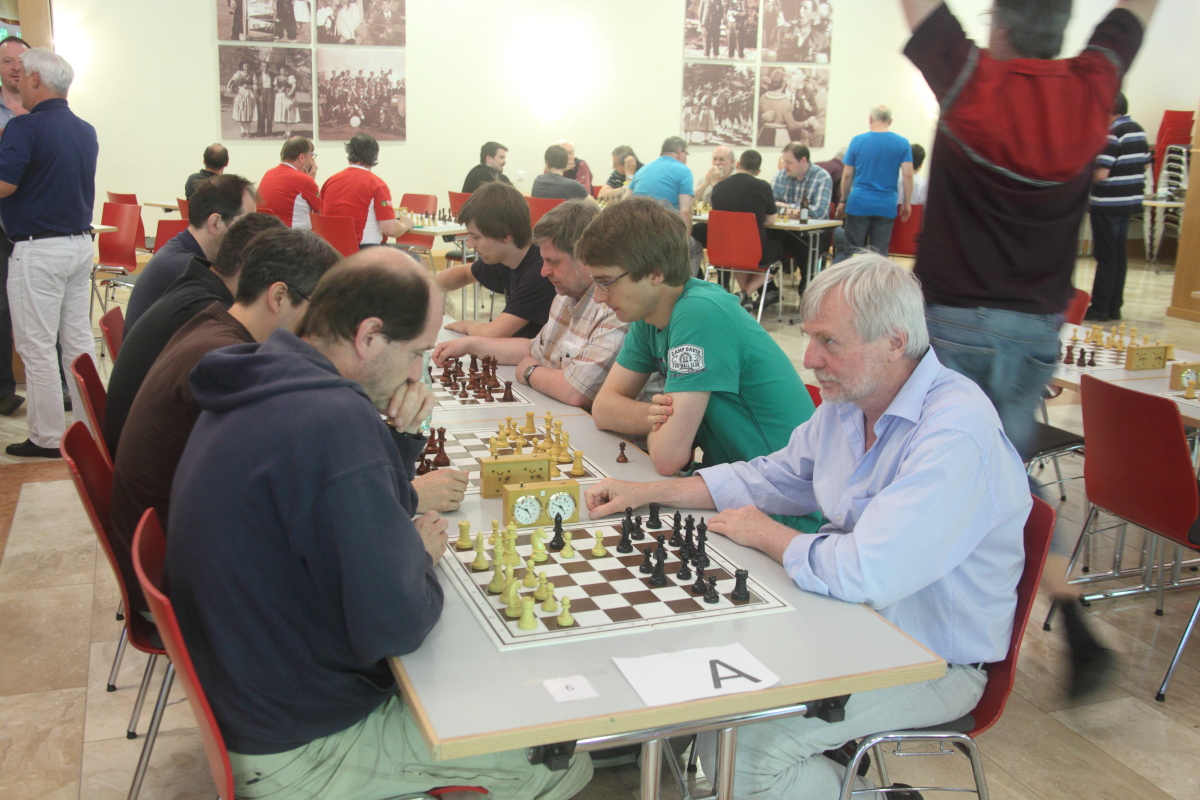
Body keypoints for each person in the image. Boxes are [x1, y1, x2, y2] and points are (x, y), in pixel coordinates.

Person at [584, 254, 1030, 800]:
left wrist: (768, 534)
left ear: (895, 341)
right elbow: (774, 477)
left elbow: (866, 572)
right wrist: (650, 493)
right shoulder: (851, 400)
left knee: (742, 757)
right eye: (810, 337)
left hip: (930, 658)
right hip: (843, 619)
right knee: (695, 682)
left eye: (829, 342)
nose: (811, 358)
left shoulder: (955, 433)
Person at [167, 250, 593, 800]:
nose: (417, 373)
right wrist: (417, 557)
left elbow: (345, 509)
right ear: (368, 336)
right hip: (300, 747)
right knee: (558, 762)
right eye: (415, 352)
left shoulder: (264, 378)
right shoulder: (331, 421)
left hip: (253, 699)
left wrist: (396, 442)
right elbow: (396, 626)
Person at [898, 0, 1157, 698]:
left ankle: (928, 628)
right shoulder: (1092, 86)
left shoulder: (971, 81)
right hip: (1037, 328)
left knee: (943, 466)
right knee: (1001, 466)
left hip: (954, 319)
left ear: (1000, 25)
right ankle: (1065, 611)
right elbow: (1133, 15)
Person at [110, 226, 338, 615]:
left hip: (166, 553)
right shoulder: (228, 360)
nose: (322, 325)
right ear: (278, 296)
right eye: (319, 308)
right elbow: (290, 483)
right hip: (179, 585)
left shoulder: (214, 324)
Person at [582, 199, 819, 517]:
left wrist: (662, 423)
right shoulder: (649, 315)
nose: (598, 296)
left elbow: (668, 457)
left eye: (606, 281)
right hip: (726, 489)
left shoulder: (699, 313)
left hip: (785, 507)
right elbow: (602, 409)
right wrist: (659, 415)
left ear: (655, 273)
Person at [105, 213, 283, 456]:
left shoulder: (197, 285)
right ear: (251, 268)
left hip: (133, 445)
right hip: (141, 457)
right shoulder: (210, 314)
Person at [432, 199, 625, 408]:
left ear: (586, 258)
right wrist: (470, 345)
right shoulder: (564, 295)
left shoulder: (614, 307)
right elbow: (535, 350)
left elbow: (576, 392)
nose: (544, 271)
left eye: (554, 261)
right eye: (543, 260)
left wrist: (531, 371)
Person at [0, 48, 98, 458]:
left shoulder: (25, 127)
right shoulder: (85, 129)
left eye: (21, 74)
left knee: (36, 346)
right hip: (79, 245)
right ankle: (91, 425)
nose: (18, 80)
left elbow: (5, 185)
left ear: (36, 79)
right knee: (77, 340)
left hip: (38, 250)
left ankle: (46, 437)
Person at [124, 174, 257, 332]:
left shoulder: (181, 252)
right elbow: (237, 328)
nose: (250, 235)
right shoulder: (185, 269)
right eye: (244, 225)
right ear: (215, 223)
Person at [433, 182, 555, 338]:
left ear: (504, 235)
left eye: (476, 237)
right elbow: (464, 274)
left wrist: (467, 325)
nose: (469, 244)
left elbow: (493, 333)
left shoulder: (539, 272)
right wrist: (424, 288)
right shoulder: (505, 256)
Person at [1087, 93, 1148, 322]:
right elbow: (1144, 164)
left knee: (1106, 257)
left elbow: (1102, 173)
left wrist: (1080, 178)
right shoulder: (1137, 129)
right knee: (1119, 256)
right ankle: (1114, 307)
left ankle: (1100, 309)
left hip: (1107, 203)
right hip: (1128, 202)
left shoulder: (1111, 133)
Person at [710, 149, 785, 310]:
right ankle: (745, 293)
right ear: (758, 171)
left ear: (737, 164)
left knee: (739, 254)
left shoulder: (719, 187)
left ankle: (746, 298)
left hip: (724, 249)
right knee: (779, 253)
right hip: (752, 249)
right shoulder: (762, 186)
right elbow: (771, 220)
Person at [836, 105, 912, 260]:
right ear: (890, 121)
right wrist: (907, 202)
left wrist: (843, 200)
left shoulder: (857, 141)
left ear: (870, 119)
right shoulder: (902, 143)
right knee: (879, 255)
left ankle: (851, 276)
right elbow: (908, 175)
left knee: (852, 251)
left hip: (859, 202)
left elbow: (847, 174)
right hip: (886, 205)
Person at [0, 35, 30, 418]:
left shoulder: (42, 109)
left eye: (20, 62)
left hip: (33, 224)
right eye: (7, 61)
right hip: (1, 222)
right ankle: (3, 390)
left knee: (45, 310)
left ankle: (62, 385)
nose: (14, 68)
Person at [320, 132, 414, 247]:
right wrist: (405, 224)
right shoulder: (377, 185)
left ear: (349, 153)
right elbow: (391, 230)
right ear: (374, 156)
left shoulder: (329, 181)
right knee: (413, 257)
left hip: (331, 250)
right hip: (364, 250)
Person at [630, 136, 696, 242]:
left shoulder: (642, 170)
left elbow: (625, 201)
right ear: (680, 152)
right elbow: (685, 212)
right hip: (664, 232)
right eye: (686, 154)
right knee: (696, 247)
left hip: (637, 232)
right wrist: (685, 243)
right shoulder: (684, 171)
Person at [258, 136, 321, 229]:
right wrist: (310, 180)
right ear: (302, 157)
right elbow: (321, 214)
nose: (313, 161)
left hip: (265, 231)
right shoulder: (304, 180)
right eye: (311, 157)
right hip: (291, 235)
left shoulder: (269, 173)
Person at [226, 60, 258, 138]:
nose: (246, 68)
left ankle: (248, 131)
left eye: (248, 66)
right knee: (241, 112)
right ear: (242, 67)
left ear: (250, 67)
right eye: (245, 66)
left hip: (249, 94)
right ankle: (242, 131)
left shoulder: (252, 75)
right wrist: (230, 86)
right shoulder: (238, 74)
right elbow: (233, 81)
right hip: (240, 94)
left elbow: (255, 85)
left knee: (248, 112)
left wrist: (249, 86)